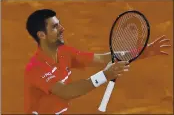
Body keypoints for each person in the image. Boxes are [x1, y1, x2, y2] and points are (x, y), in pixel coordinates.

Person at [24, 9, 171, 115]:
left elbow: (105, 58)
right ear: (41, 34)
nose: (62, 29)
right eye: (55, 27)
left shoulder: (64, 52)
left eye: (59, 24)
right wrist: (105, 75)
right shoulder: (36, 68)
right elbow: (66, 92)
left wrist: (144, 51)